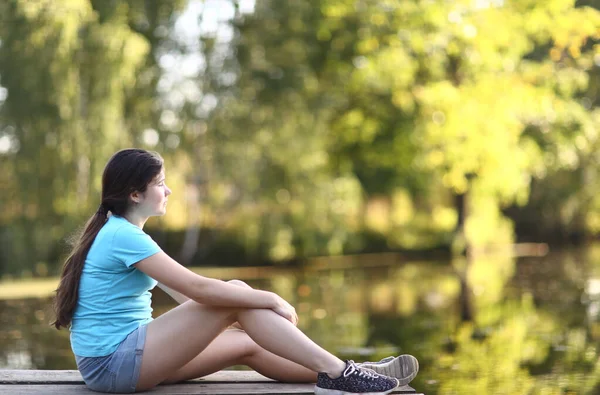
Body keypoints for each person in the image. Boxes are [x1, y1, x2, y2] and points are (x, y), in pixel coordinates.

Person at [52, 148, 419, 394]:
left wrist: (245, 318)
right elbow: (200, 290)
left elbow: (185, 296)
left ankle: (348, 372)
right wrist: (268, 299)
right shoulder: (122, 236)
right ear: (135, 194)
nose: (170, 190)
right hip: (113, 364)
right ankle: (343, 373)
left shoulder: (120, 231)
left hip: (120, 360)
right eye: (161, 183)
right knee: (236, 292)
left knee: (247, 342)